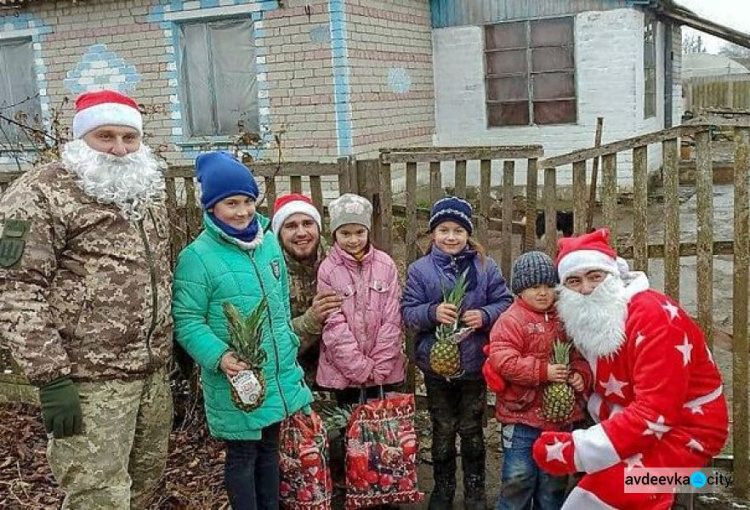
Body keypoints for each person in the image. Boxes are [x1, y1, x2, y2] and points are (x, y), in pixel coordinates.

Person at [0, 89, 173, 508]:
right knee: (98, 497)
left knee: (144, 485)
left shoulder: (146, 188)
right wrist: (51, 380)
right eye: (106, 136)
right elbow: (16, 289)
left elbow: (159, 274)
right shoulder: (41, 194)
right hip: (89, 381)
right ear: (82, 139)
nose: (119, 149)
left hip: (152, 374)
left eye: (129, 138)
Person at [532, 228, 729, 509]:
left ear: (614, 276)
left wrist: (580, 450)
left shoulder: (654, 317)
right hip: (631, 417)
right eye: (574, 281)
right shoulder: (586, 318)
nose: (586, 289)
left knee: (607, 492)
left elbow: (657, 410)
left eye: (595, 277)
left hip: (688, 427)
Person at [172, 151, 313, 510]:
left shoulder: (267, 245)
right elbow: (187, 319)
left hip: (275, 372)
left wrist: (289, 344)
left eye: (248, 201)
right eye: (231, 203)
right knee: (243, 454)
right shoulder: (198, 257)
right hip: (237, 376)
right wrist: (219, 355)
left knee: (269, 449)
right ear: (211, 207)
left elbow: (280, 305)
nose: (242, 211)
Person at [401, 196, 513, 510]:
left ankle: (475, 490)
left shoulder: (484, 266)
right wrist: (432, 311)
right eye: (444, 230)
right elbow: (408, 312)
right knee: (443, 430)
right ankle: (443, 489)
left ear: (468, 234)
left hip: (474, 365)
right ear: (433, 234)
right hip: (435, 367)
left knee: (473, 429)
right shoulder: (420, 271)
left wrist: (486, 315)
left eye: (458, 231)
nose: (451, 237)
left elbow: (505, 302)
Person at [486, 251, 592, 510]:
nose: (543, 292)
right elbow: (503, 359)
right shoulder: (511, 320)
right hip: (521, 417)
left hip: (560, 418)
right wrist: (543, 372)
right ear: (520, 290)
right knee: (518, 478)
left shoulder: (565, 318)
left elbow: (580, 356)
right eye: (535, 287)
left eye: (549, 286)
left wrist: (581, 376)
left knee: (554, 480)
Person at [315, 192, 405, 400]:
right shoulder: (328, 270)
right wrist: (358, 366)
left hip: (383, 371)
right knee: (350, 428)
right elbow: (333, 323)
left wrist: (380, 365)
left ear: (367, 231)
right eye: (345, 233)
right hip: (342, 372)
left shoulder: (386, 265)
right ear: (335, 234)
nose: (353, 240)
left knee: (383, 428)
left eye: (359, 232)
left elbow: (392, 319)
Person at [271, 193, 343, 387]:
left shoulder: (341, 263)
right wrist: (311, 321)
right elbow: (270, 343)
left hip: (343, 379)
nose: (301, 232)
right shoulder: (269, 274)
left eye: (307, 223)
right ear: (279, 233)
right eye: (291, 226)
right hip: (290, 383)